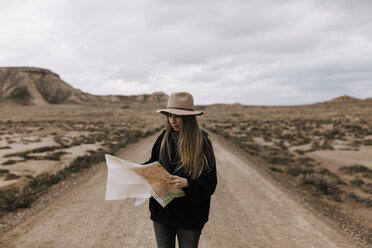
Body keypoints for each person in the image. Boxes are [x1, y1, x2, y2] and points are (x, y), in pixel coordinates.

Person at [143, 92, 217, 248]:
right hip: (162, 212)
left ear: (189, 118)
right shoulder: (164, 137)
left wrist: (187, 183)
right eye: (169, 116)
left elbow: (210, 184)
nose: (172, 121)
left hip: (190, 215)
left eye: (177, 116)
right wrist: (139, 169)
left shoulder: (202, 143)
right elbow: (153, 163)